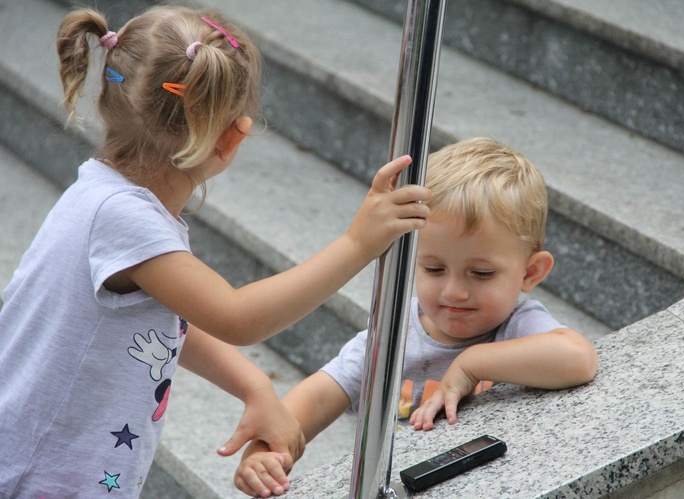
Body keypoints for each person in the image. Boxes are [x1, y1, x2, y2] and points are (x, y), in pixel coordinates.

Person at [0, 5, 431, 498]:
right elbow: (236, 317)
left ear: (109, 95)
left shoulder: (101, 193)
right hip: (40, 477)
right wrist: (357, 244)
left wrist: (254, 386)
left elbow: (164, 321)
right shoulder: (128, 222)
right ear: (233, 137)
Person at [234, 137, 600, 497]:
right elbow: (318, 395)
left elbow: (579, 359)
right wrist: (268, 450)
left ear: (531, 273)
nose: (454, 291)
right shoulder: (394, 332)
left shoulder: (518, 326)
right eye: (434, 268)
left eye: (481, 273)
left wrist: (472, 364)